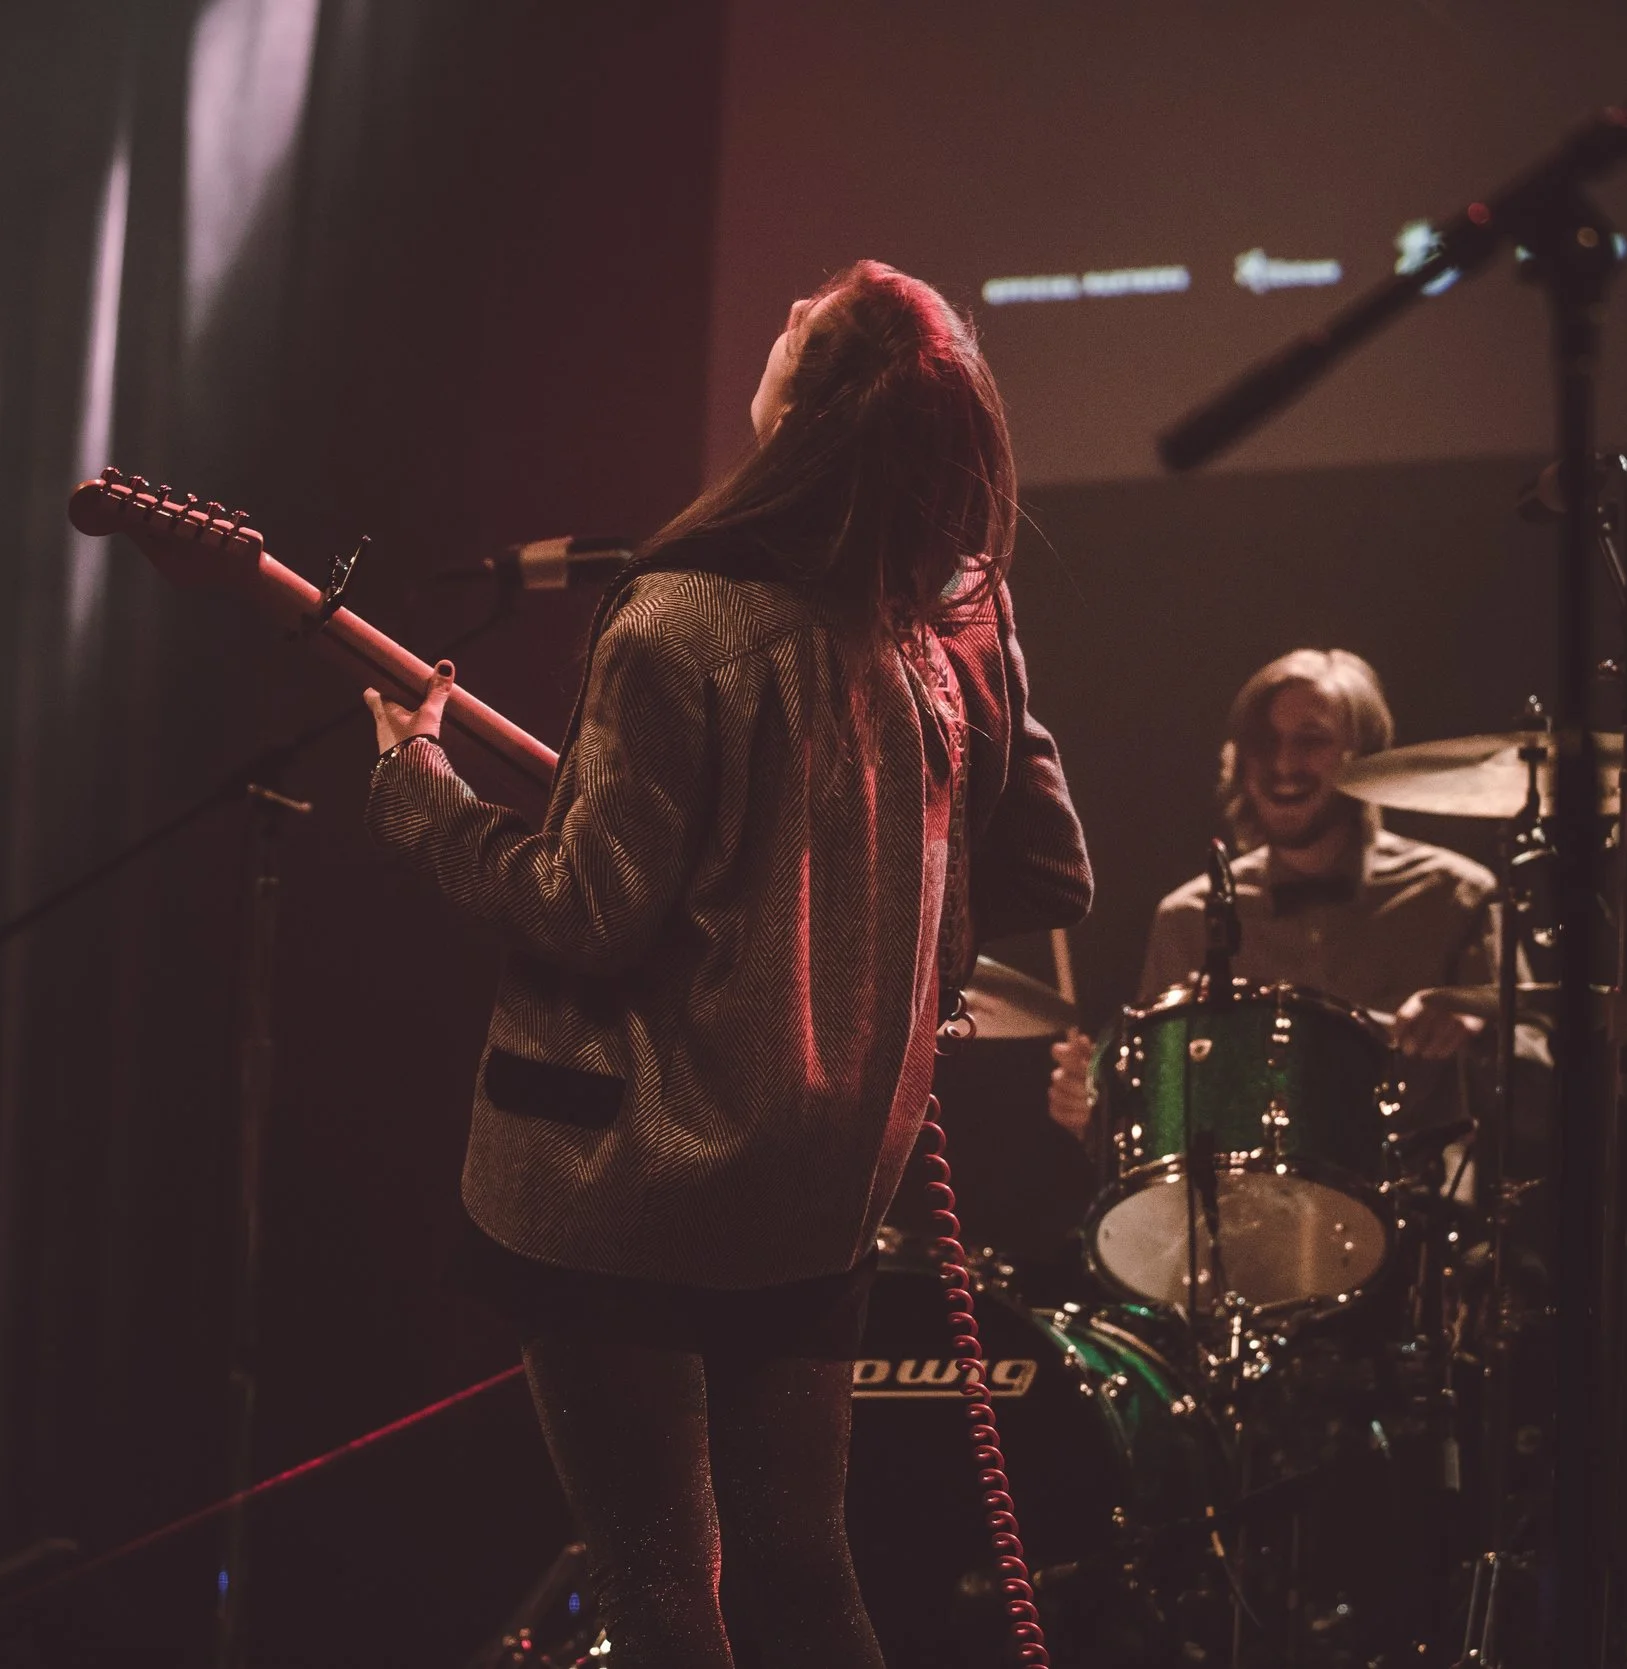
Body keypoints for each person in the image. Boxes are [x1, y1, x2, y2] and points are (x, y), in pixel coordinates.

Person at [364, 261, 1091, 1668]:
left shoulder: (680, 618)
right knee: (799, 1576)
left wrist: (418, 791)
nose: (781, 320)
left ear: (811, 402)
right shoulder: (941, 632)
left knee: (660, 1590)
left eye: (802, 322)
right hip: (813, 1197)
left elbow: (585, 908)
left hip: (617, 1187)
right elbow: (1046, 872)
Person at [1048, 647, 1498, 1137]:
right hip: (1244, 1186)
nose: (1283, 763)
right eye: (1264, 742)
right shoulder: (1190, 918)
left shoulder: (1456, 896)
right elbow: (1161, 1120)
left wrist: (1479, 1025)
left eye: (1311, 740)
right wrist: (1098, 1113)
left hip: (1421, 1179)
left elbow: (1538, 1078)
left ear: (1365, 755)